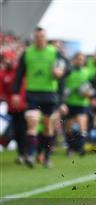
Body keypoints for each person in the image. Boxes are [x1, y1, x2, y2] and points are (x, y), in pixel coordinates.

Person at [12, 27, 66, 168]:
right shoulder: (27, 52)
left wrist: (60, 72)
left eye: (42, 36)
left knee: (48, 127)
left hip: (50, 95)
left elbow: (66, 69)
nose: (39, 39)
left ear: (45, 37)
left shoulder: (54, 52)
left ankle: (46, 157)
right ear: (33, 37)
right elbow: (19, 74)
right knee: (32, 123)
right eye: (37, 36)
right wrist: (16, 93)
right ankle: (30, 154)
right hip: (33, 94)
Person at [60, 52, 93, 156]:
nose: (80, 61)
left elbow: (92, 87)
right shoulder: (69, 72)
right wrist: (65, 92)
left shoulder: (87, 72)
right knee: (69, 127)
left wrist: (88, 92)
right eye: (78, 59)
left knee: (81, 124)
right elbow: (62, 84)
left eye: (81, 59)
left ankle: (81, 147)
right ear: (74, 60)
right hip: (69, 103)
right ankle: (70, 148)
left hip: (82, 103)